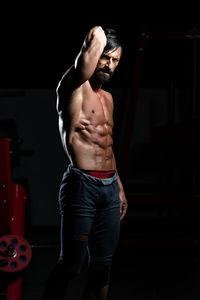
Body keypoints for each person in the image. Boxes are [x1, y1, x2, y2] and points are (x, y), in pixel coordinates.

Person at [43, 25, 128, 300]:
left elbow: (107, 145)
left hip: (109, 187)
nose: (109, 65)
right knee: (70, 266)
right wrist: (101, 32)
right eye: (105, 57)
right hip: (83, 187)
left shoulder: (109, 99)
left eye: (115, 60)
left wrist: (120, 187)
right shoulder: (73, 88)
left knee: (102, 267)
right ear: (93, 55)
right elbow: (89, 52)